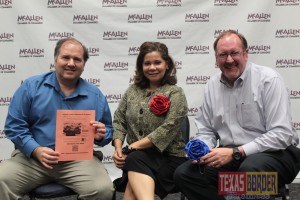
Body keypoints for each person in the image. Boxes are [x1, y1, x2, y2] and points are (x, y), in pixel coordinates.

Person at [174, 30, 300, 200]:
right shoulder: (212, 85)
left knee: (250, 171)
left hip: (278, 155)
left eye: (234, 53)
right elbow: (207, 131)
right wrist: (202, 150)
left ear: (245, 54)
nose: (229, 60)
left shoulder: (269, 80)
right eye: (223, 55)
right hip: (233, 157)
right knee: (185, 174)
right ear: (216, 58)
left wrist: (236, 152)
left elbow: (281, 135)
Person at [0, 38, 114, 200]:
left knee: (103, 189)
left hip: (78, 161)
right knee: (1, 180)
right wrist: (35, 150)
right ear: (55, 60)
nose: (71, 63)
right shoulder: (31, 87)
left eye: (77, 59)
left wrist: (102, 134)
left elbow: (108, 130)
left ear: (83, 64)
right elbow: (14, 127)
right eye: (65, 57)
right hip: (32, 159)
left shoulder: (95, 96)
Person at [112, 41, 188, 200]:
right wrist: (119, 149)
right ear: (141, 66)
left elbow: (167, 129)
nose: (152, 67)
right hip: (138, 158)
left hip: (170, 159)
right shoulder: (132, 91)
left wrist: (130, 148)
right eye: (147, 63)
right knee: (135, 162)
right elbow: (119, 121)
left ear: (167, 64)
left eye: (157, 62)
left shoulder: (175, 93)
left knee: (134, 164)